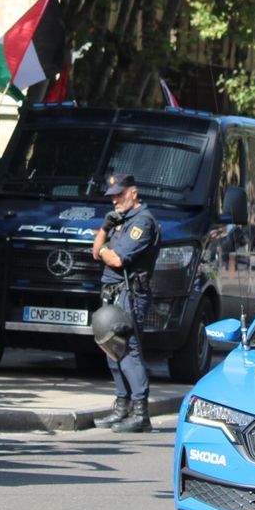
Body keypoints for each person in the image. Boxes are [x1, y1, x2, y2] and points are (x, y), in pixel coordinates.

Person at [92, 172, 161, 433]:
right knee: (112, 350)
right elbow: (95, 250)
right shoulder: (119, 221)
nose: (114, 201)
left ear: (134, 192)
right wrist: (104, 230)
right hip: (112, 292)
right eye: (112, 196)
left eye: (119, 195)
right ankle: (122, 408)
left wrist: (102, 250)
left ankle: (140, 413)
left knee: (129, 351)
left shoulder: (142, 222)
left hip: (129, 294)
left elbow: (118, 259)